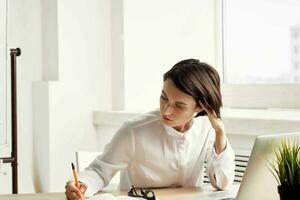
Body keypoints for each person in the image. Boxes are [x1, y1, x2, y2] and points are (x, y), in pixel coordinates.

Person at [65, 59, 235, 199]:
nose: (166, 110)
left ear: (200, 108)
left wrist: (220, 132)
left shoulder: (207, 129)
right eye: (164, 97)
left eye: (179, 105)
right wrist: (81, 184)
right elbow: (99, 172)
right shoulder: (134, 130)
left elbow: (223, 183)